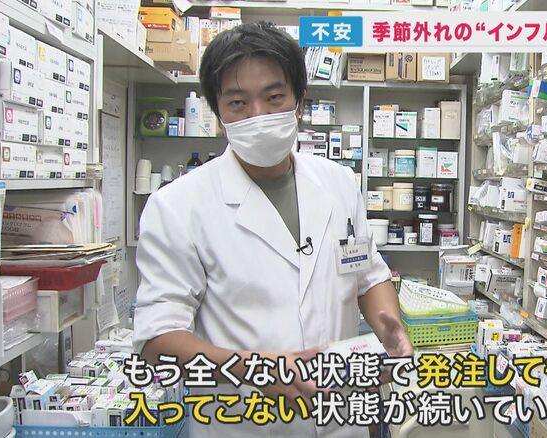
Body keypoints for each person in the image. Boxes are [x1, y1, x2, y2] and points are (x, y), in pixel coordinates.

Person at [132, 21, 413, 437]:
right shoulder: (177, 206)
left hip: (340, 417)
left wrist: (391, 328)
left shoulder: (337, 182)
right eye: (238, 103)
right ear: (217, 113)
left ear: (299, 100)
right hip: (244, 423)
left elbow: (368, 275)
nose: (258, 116)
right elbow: (158, 340)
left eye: (274, 97)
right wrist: (255, 370)